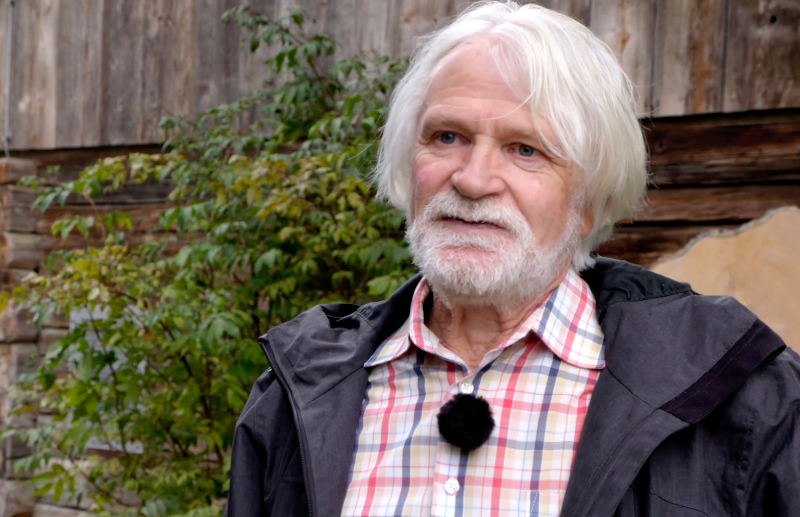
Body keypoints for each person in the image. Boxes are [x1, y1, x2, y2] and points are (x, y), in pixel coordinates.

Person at [224, 2, 800, 516]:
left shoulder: (743, 399)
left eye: (525, 149)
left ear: (588, 202)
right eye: (446, 137)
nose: (472, 180)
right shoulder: (297, 396)